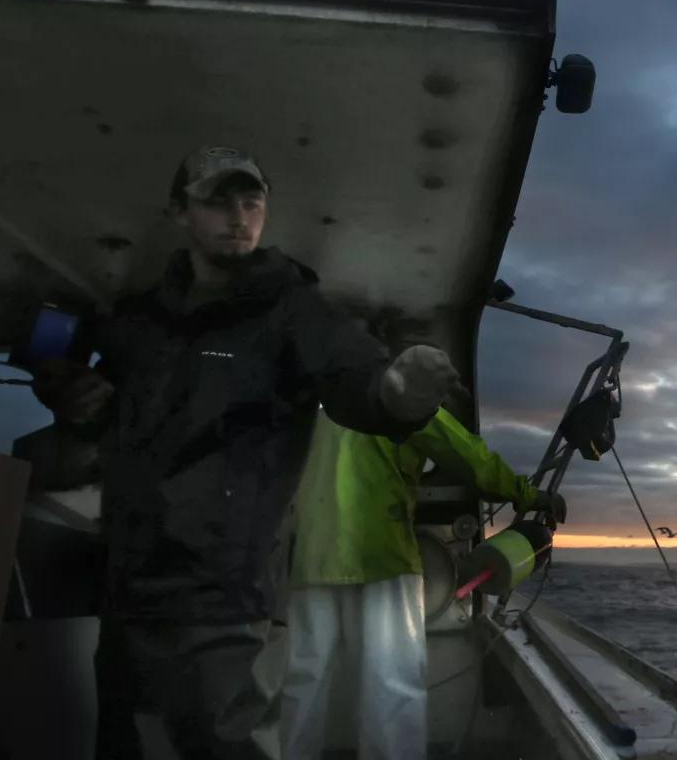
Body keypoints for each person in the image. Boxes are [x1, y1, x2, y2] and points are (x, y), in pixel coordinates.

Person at [29, 146, 458, 760]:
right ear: (179, 211)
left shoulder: (292, 311)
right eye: (217, 201)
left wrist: (394, 394)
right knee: (128, 742)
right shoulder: (141, 318)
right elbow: (59, 352)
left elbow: (352, 375)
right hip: (129, 583)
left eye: (251, 201)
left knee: (228, 745)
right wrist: (65, 387)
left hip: (227, 592)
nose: (238, 216)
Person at [280, 327, 567, 760]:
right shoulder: (402, 403)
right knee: (390, 685)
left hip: (309, 561)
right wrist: (530, 495)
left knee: (303, 682)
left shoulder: (312, 403)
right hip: (382, 560)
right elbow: (472, 459)